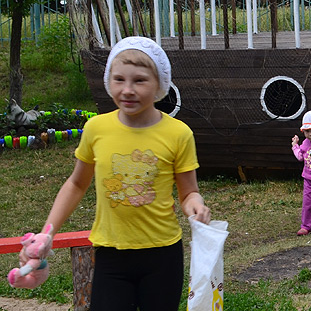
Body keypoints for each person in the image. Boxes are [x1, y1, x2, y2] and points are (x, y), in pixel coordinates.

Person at [20, 36, 210, 311]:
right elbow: (76, 184)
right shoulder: (96, 129)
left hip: (162, 255)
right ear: (109, 81)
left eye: (140, 81)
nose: (128, 90)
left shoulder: (178, 134)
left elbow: (188, 192)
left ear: (159, 84)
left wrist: (196, 206)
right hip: (111, 254)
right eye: (119, 79)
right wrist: (47, 233)